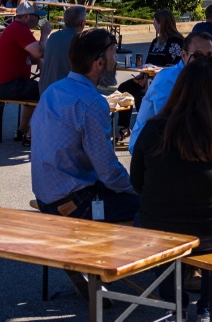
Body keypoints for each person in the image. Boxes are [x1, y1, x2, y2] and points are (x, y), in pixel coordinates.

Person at [131, 56, 212, 322]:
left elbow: (137, 183)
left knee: (154, 225)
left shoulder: (153, 128)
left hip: (160, 231)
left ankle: (173, 305)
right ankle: (210, 306)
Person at [32, 28, 139, 300]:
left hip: (45, 195)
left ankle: (86, 268)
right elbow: (108, 171)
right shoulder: (91, 103)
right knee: (154, 206)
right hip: (74, 202)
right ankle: (172, 276)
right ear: (98, 62)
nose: (116, 59)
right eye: (113, 53)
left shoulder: (54, 90)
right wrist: (135, 188)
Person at [128, 32, 212, 151]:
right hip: (150, 147)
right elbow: (167, 122)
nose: (205, 62)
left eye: (210, 56)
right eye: (198, 56)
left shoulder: (204, 77)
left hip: (177, 142)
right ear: (183, 55)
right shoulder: (167, 79)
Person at [0, 1, 53, 143]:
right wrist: (45, 34)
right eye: (37, 17)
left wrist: (38, 61)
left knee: (33, 91)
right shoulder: (19, 29)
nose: (39, 20)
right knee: (47, 91)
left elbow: (32, 55)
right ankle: (32, 133)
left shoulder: (15, 28)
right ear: (27, 17)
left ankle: (23, 129)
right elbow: (40, 52)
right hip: (6, 85)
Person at [40, 5, 88, 95]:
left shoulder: (53, 37)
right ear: (83, 23)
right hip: (65, 93)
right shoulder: (81, 41)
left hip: (45, 91)